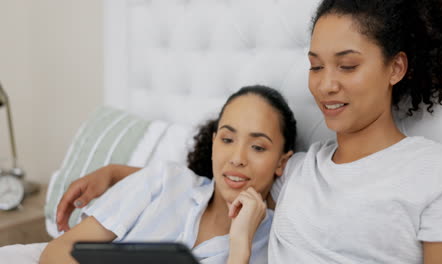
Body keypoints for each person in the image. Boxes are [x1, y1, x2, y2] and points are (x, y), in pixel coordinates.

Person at [58, 0, 442, 263]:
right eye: (315, 66)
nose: (326, 85)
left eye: (347, 66)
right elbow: (222, 179)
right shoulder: (298, 171)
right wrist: (115, 172)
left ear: (395, 68)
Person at [40, 85, 296, 264]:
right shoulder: (165, 181)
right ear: (215, 142)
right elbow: (58, 252)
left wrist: (240, 246)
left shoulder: (277, 245)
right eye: (228, 139)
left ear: (281, 162)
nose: (237, 158)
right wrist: (114, 172)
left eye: (258, 147)